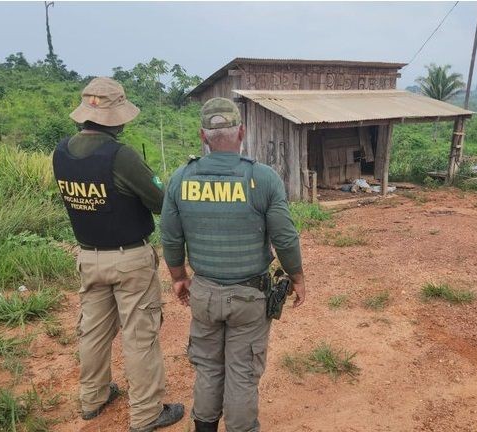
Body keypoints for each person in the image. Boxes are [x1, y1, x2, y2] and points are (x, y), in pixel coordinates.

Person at [161, 97, 306, 432]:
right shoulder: (263, 178)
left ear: (203, 136)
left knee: (209, 367)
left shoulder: (181, 178)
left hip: (204, 292)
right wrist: (297, 277)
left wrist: (179, 277)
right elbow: (284, 238)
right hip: (249, 297)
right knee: (242, 373)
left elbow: (170, 237)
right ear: (241, 132)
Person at [52, 77, 184, 432]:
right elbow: (160, 201)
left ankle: (92, 398)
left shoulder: (60, 152)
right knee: (139, 334)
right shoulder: (120, 156)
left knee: (93, 331)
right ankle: (146, 414)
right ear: (117, 118)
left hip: (88, 257)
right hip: (129, 259)